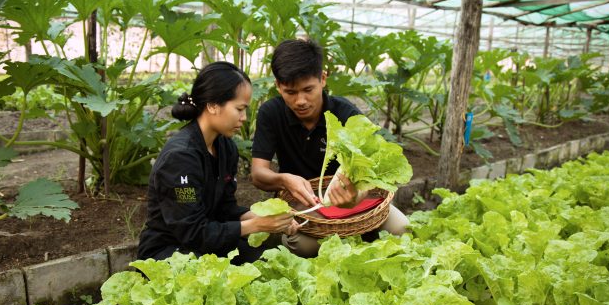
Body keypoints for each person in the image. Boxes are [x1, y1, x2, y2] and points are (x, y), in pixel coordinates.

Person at [250, 39, 409, 257]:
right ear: (278, 86)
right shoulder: (271, 113)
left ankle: (359, 242)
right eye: (290, 92)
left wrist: (358, 194)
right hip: (305, 206)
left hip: (353, 202)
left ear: (323, 79)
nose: (300, 101)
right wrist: (285, 179)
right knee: (303, 246)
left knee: (401, 228)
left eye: (308, 89)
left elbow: (373, 170)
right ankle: (357, 243)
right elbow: (258, 174)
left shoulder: (345, 113)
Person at [138, 61, 297, 263]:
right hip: (171, 251)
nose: (244, 118)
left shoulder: (226, 147)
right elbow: (192, 232)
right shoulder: (180, 158)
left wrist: (271, 216)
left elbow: (226, 210)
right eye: (239, 109)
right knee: (212, 277)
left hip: (209, 243)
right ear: (213, 105)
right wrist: (256, 225)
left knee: (266, 263)